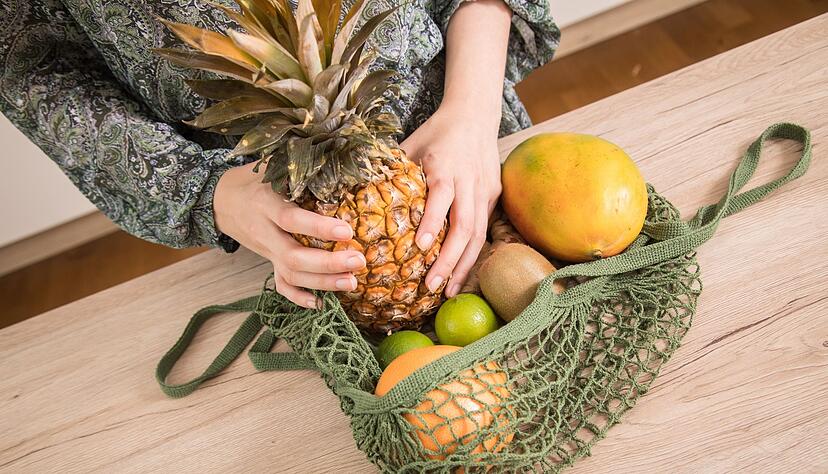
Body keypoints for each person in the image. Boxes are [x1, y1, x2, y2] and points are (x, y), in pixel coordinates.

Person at [0, 0, 559, 308]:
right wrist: (207, 192)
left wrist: (471, 108)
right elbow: (33, 68)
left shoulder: (471, 115)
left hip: (470, 131)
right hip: (284, 220)